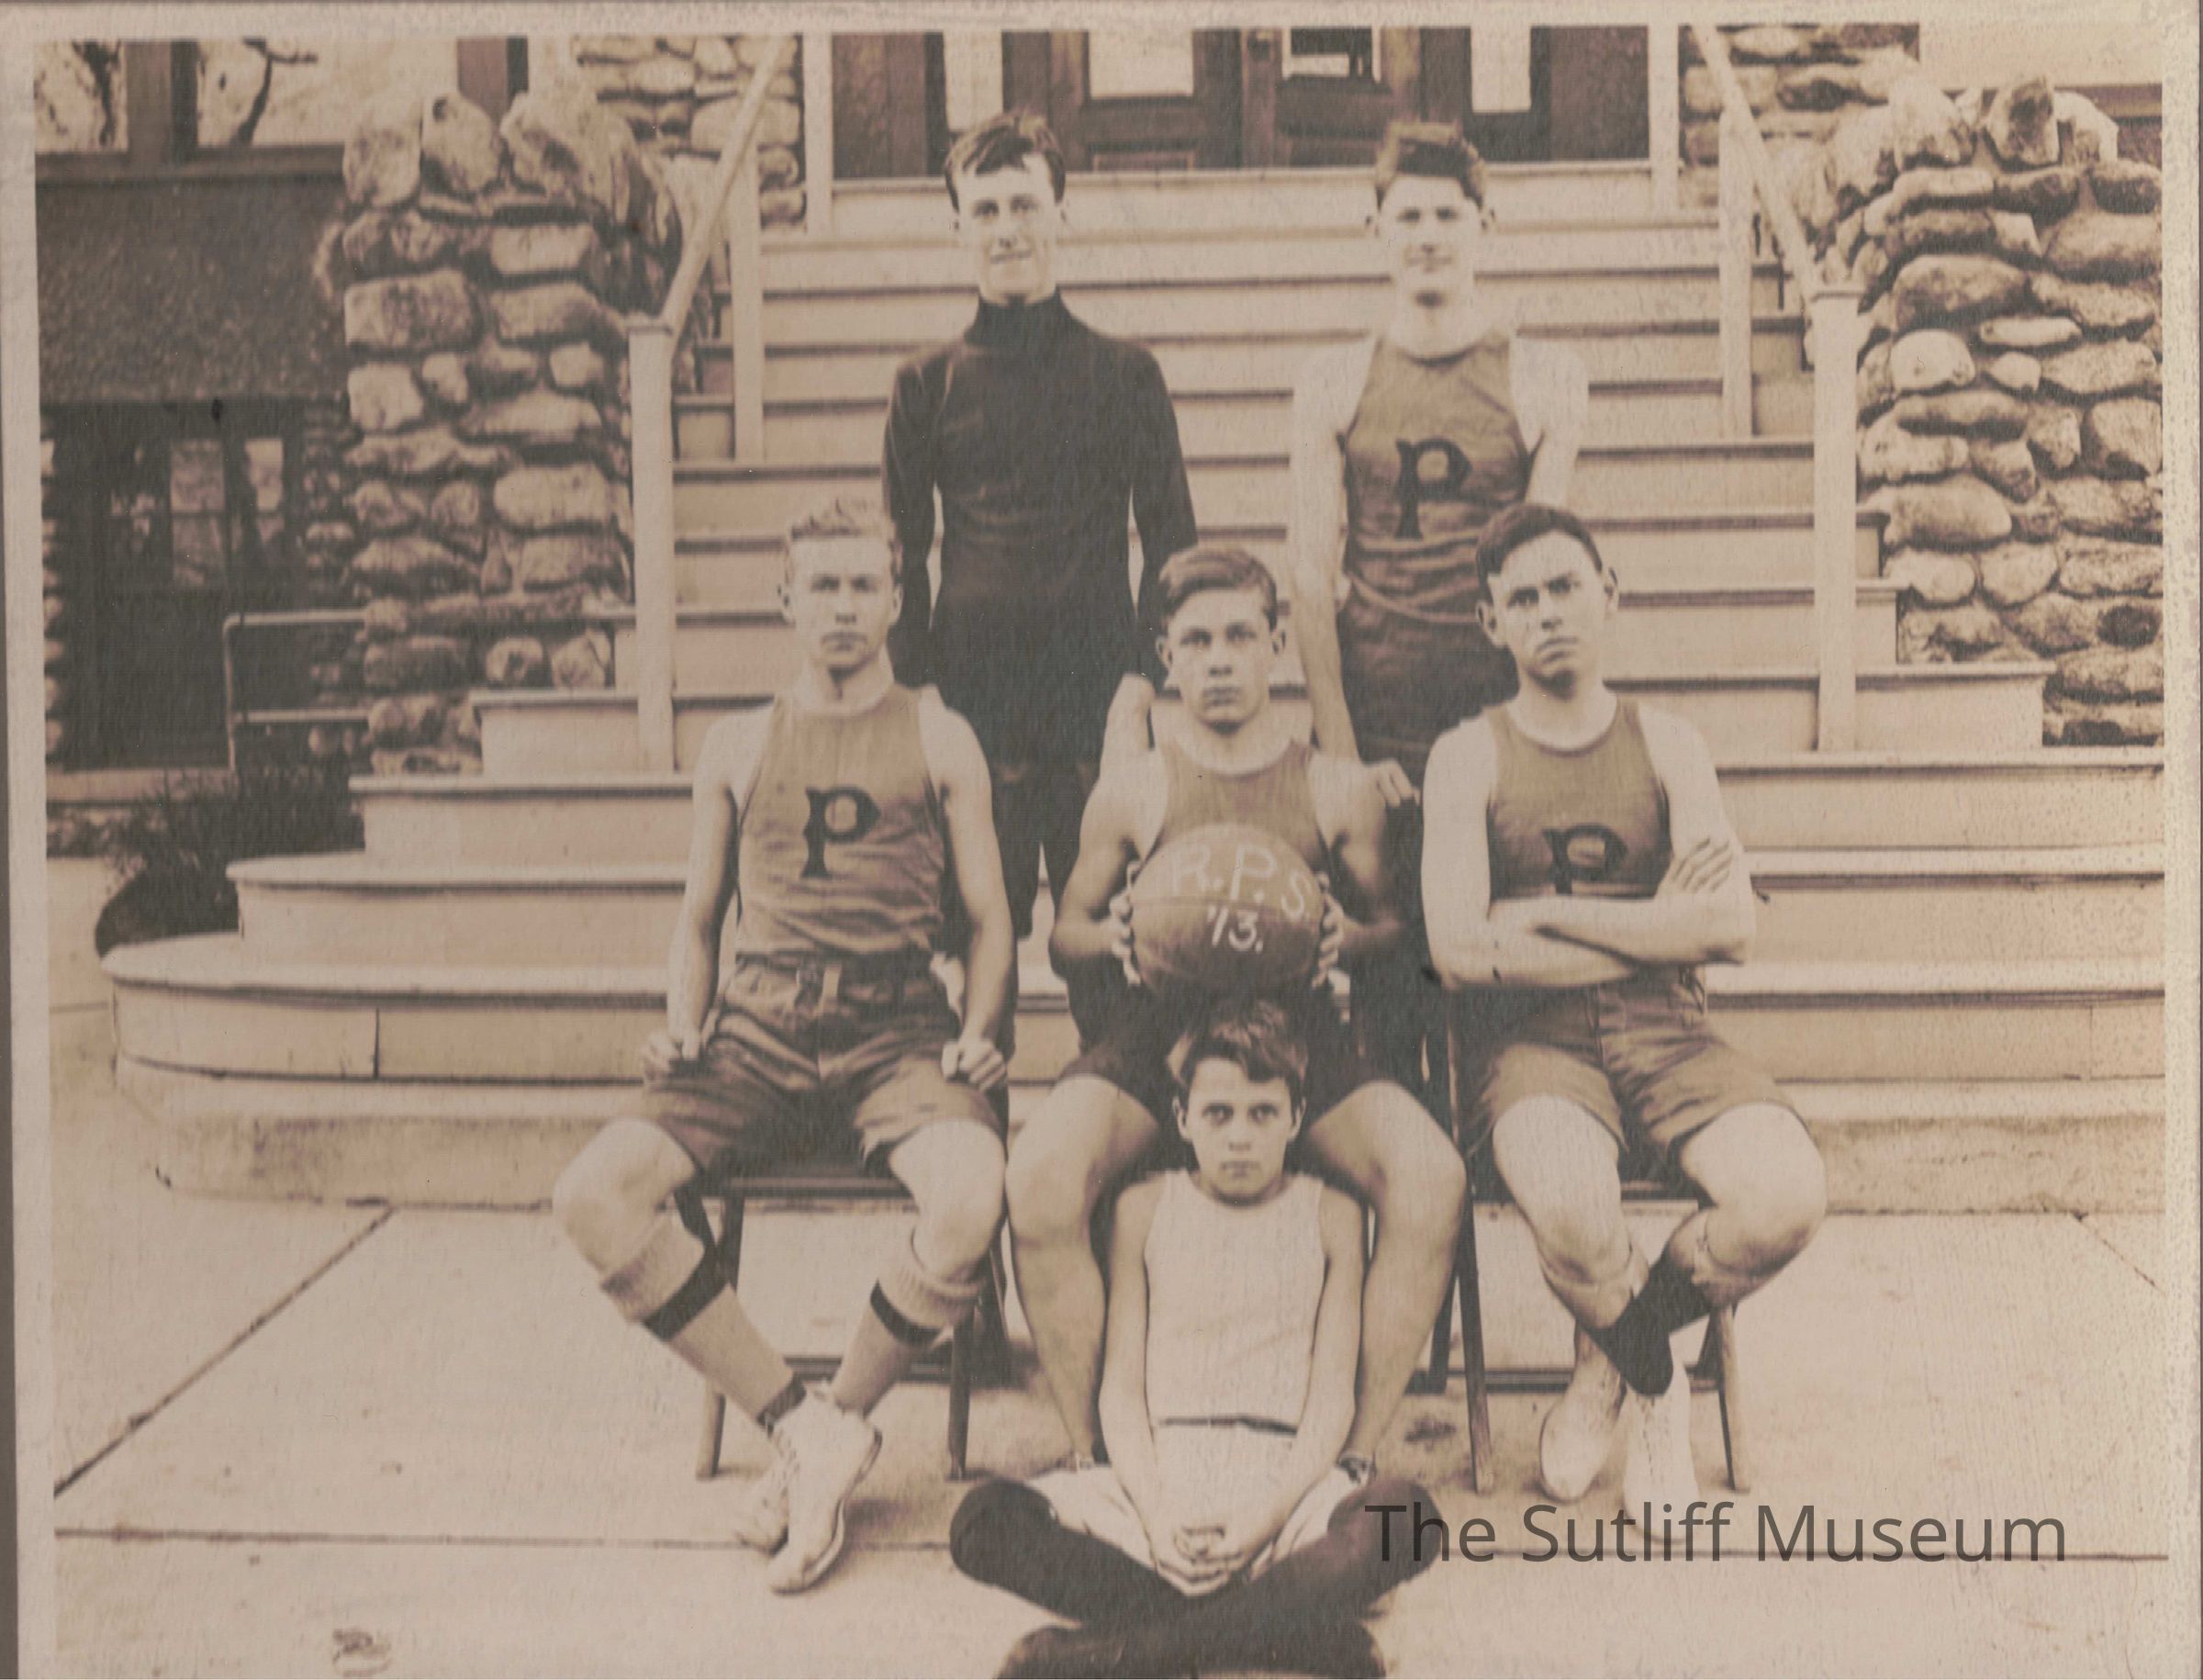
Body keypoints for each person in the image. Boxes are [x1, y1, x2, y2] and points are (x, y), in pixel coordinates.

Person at [551, 500, 1016, 1594]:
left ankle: (837, 1420)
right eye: (823, 586)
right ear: (786, 602)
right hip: (757, 1027)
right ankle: (798, 1423)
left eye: (864, 586)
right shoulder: (738, 741)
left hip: (896, 1028)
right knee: (592, 1196)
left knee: (969, 1196)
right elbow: (699, 920)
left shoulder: (940, 733)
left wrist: (980, 1033)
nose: (844, 607)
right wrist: (683, 1021)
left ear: (896, 600)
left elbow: (992, 920)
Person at [1008, 544, 1466, 1482]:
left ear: (1277, 645)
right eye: (1196, 642)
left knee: (1431, 1178)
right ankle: (1098, 1457)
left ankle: (1351, 1458)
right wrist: (1116, 935)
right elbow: (1065, 935)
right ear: (1167, 657)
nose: (1218, 660)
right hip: (1161, 1028)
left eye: (1239, 637)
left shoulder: (1334, 786)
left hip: (1295, 1028)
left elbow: (1393, 930)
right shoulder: (1136, 785)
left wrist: (1348, 935)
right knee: (1041, 1178)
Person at [1422, 501, 1827, 1515]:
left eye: (1566, 586)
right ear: (1491, 623)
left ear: (1610, 594)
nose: (1548, 612)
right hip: (1535, 1050)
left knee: (1785, 1199)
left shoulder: (1669, 742)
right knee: (1569, 1205)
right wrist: (1656, 924)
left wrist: (1546, 913)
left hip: (1670, 1036)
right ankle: (1657, 1385)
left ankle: (1611, 1357)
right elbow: (1461, 953)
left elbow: (1728, 927)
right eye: (1522, 598)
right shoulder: (1466, 754)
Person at [955, 1000, 1441, 1679]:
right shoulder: (1144, 1208)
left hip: (1283, 1487)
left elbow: (1333, 1397)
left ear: (1296, 1117)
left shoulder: (1331, 1213)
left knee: (1406, 1520)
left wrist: (1265, 1519)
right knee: (982, 1520)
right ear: (1182, 1119)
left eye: (1263, 1114)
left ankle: (1121, 1655)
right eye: (1218, 1114)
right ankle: (1288, 1637)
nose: (1240, 1137)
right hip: (1162, 1475)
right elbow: (1122, 1390)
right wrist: (1156, 1516)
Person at [1287, 118, 1591, 1103]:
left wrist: (1526, 734)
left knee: (1489, 974)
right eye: (1407, 215)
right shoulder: (1334, 378)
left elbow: (1544, 573)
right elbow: (1309, 575)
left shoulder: (1541, 374)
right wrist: (1339, 748)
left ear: (1483, 226)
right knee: (1385, 984)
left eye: (1447, 216)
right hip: (1378, 708)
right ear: (1375, 227)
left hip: (1490, 710)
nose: (1427, 236)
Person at [883, 109, 1200, 1047]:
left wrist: (1141, 681)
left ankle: (1112, 1130)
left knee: (1109, 959)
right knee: (971, 959)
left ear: (1062, 211)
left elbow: (1172, 543)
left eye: (1024, 204)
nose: (1007, 229)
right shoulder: (925, 382)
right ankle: (971, 1135)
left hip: (1094, 707)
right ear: (958, 227)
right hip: (972, 708)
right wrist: (922, 696)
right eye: (985, 210)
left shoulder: (1126, 374)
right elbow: (902, 554)